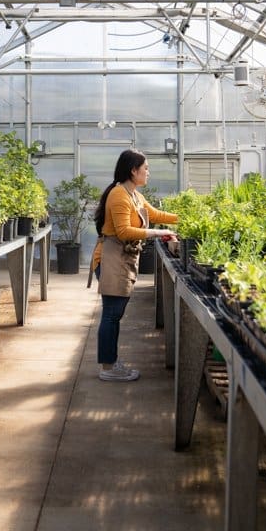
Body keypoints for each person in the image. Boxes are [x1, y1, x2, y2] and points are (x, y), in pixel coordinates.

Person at [91, 149, 177, 382]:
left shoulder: (135, 195)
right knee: (111, 314)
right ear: (133, 170)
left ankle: (111, 363)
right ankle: (108, 367)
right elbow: (123, 231)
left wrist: (182, 217)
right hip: (110, 258)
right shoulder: (119, 194)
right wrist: (159, 233)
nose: (148, 172)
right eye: (145, 168)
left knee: (115, 313)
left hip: (122, 258)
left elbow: (155, 213)